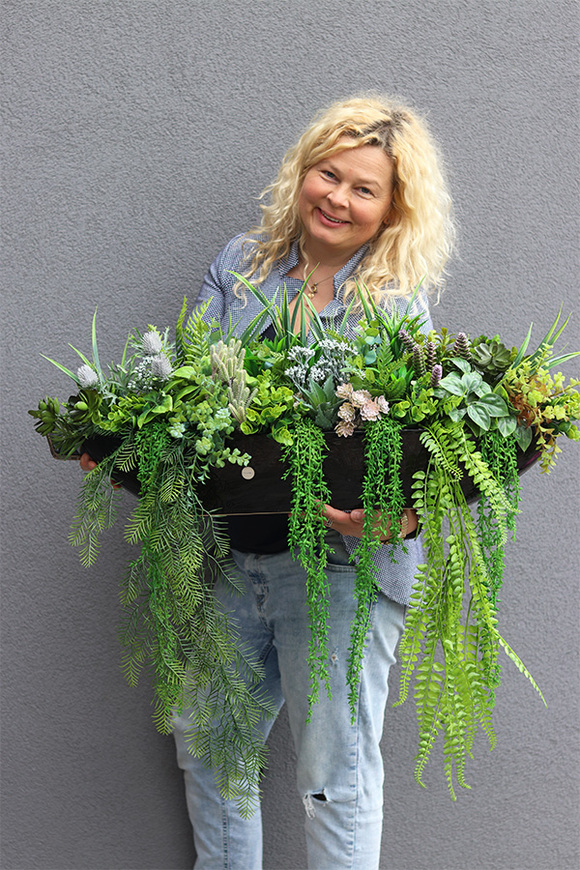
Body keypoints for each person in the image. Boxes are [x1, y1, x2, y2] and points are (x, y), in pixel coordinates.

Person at [81, 94, 454, 870]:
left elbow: (421, 443)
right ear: (304, 171)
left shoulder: (397, 305)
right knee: (214, 756)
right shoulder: (242, 265)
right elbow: (191, 392)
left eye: (365, 188)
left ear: (393, 209)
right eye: (329, 174)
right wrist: (133, 450)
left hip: (339, 568)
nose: (338, 198)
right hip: (228, 554)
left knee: (334, 778)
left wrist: (403, 516)